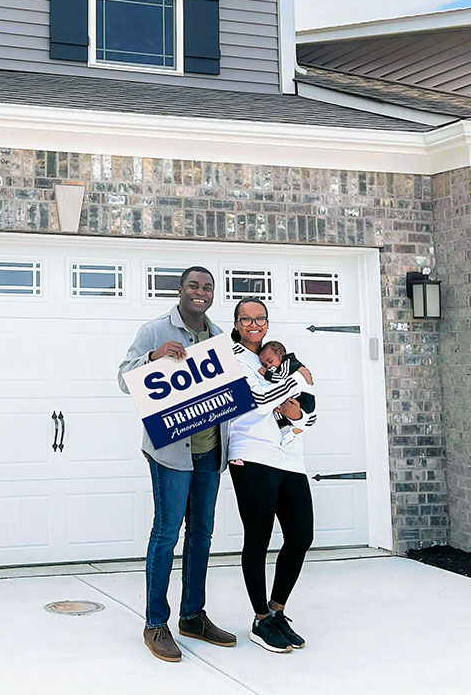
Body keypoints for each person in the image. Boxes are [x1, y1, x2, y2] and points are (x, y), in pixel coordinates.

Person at [117, 266, 236, 663]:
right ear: (180, 290)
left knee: (202, 533)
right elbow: (123, 378)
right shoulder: (155, 330)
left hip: (210, 451)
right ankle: (155, 623)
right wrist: (153, 357)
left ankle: (193, 616)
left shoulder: (219, 338)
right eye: (193, 286)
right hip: (170, 451)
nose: (200, 293)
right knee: (167, 534)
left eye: (207, 288)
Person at [228, 297, 317, 653]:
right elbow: (257, 398)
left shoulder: (278, 358)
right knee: (259, 538)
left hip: (290, 457)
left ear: (267, 322)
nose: (253, 324)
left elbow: (307, 415)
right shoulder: (230, 359)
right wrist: (296, 381)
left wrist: (296, 414)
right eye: (245, 319)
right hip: (250, 455)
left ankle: (277, 611)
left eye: (260, 318)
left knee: (301, 536)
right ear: (236, 323)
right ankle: (260, 619)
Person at [258, 340, 316, 443]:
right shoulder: (281, 365)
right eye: (265, 365)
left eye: (270, 361)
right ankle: (288, 431)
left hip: (304, 398)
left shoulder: (289, 363)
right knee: (278, 408)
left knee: (307, 416)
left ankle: (291, 430)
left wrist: (266, 373)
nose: (269, 366)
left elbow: (281, 378)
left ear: (282, 355)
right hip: (297, 397)